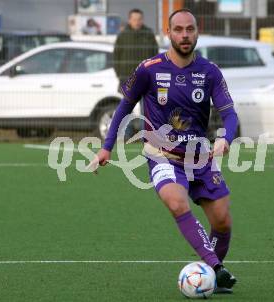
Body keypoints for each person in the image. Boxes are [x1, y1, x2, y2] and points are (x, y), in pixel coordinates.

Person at [90, 8, 238, 293]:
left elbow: (230, 113)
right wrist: (106, 147)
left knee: (222, 220)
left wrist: (226, 138)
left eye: (190, 29)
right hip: (162, 155)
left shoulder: (209, 71)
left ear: (197, 31)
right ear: (168, 33)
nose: (185, 35)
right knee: (176, 202)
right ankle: (216, 269)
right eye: (179, 29)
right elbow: (124, 106)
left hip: (200, 156)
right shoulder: (149, 69)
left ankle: (210, 277)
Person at [114, 9, 159, 138]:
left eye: (139, 19)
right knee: (125, 109)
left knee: (147, 109)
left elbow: (155, 56)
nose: (137, 22)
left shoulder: (148, 34)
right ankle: (125, 135)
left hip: (146, 81)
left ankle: (146, 135)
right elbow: (116, 57)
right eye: (134, 19)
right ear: (129, 20)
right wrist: (121, 75)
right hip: (127, 79)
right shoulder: (122, 36)